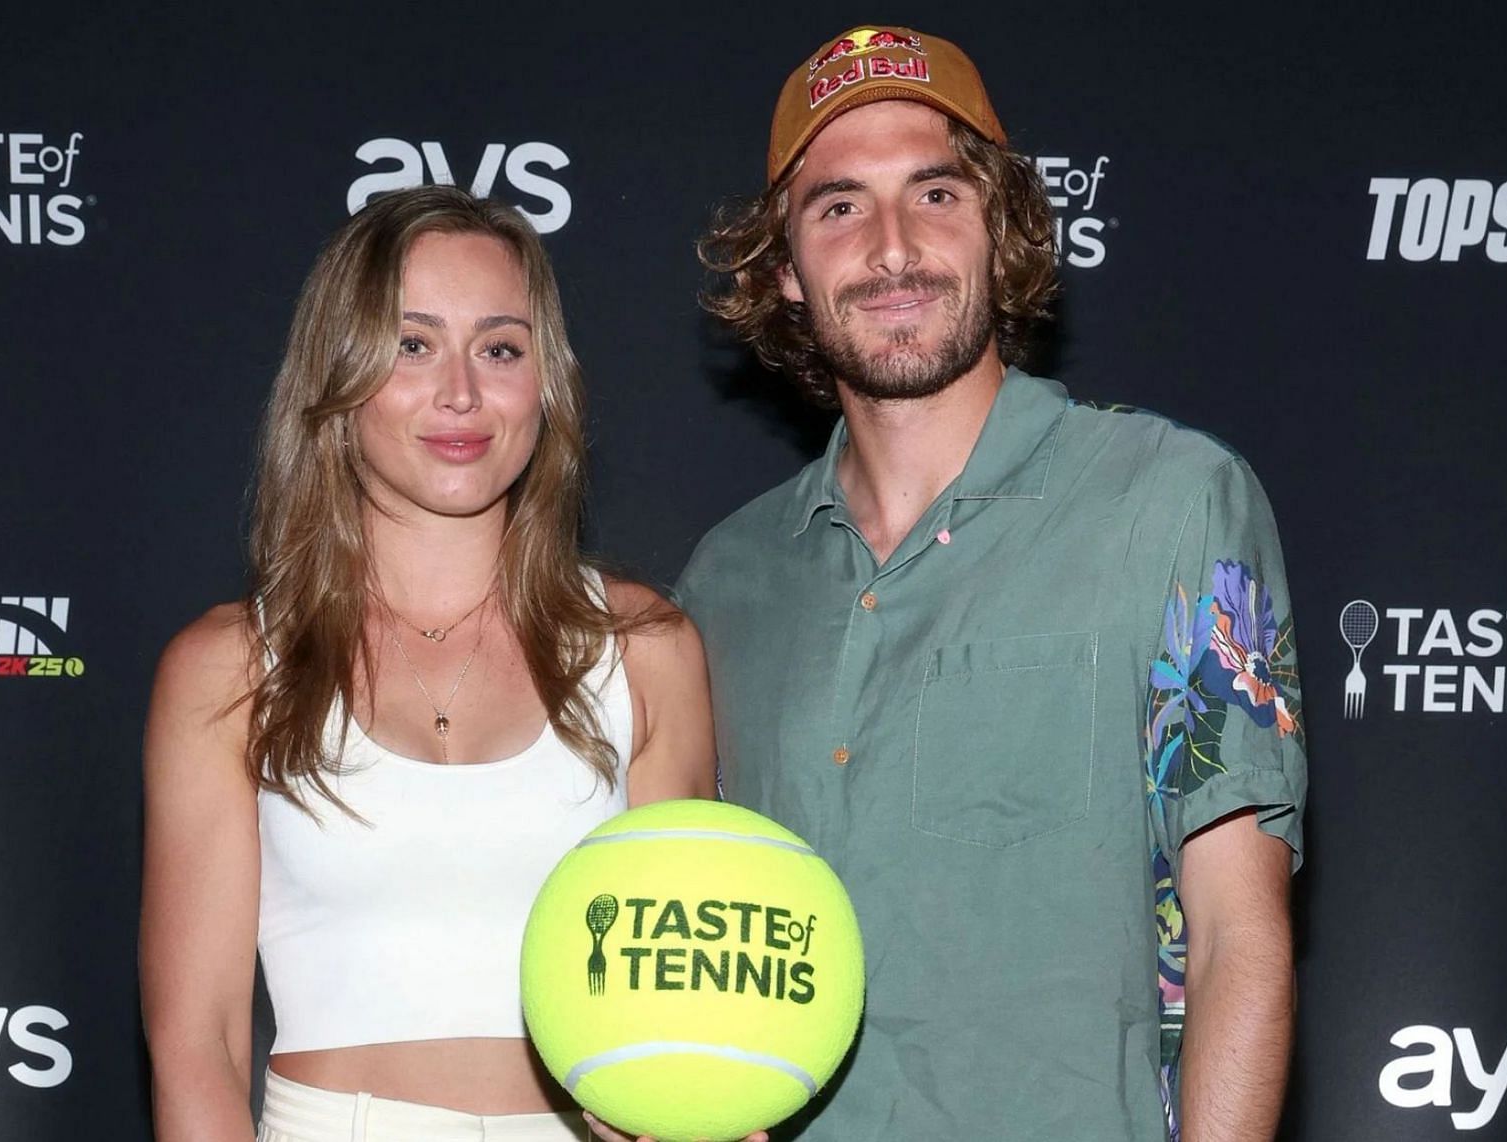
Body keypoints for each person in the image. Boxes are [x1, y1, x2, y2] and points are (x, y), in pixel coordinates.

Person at [669, 26, 1308, 1141]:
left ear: (999, 228)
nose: (894, 247)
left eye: (935, 193)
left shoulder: (1169, 501)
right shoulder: (727, 581)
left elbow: (1235, 935)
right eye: (838, 207)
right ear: (784, 269)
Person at [139, 186, 718, 1142]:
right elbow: (198, 1044)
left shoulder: (645, 650)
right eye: (412, 345)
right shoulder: (228, 669)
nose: (461, 393)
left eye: (499, 348)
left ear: (546, 384)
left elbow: (678, 1006)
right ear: (339, 373)